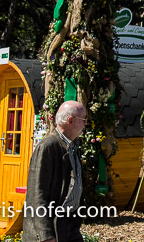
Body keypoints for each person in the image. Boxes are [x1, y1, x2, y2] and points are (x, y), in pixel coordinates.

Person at [24, 101, 87, 242]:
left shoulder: (73, 146)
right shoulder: (48, 147)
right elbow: (36, 194)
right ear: (71, 120)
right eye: (84, 120)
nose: (85, 125)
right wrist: (46, 235)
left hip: (69, 224)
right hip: (52, 226)